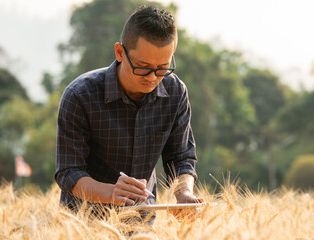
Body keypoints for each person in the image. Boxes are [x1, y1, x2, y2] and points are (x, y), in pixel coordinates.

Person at [55, 5, 203, 223]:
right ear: (119, 52)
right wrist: (111, 193)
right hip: (82, 224)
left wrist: (184, 193)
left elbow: (181, 157)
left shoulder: (175, 92)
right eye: (143, 67)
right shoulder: (79, 96)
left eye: (162, 67)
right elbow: (69, 171)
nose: (153, 77)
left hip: (142, 223)